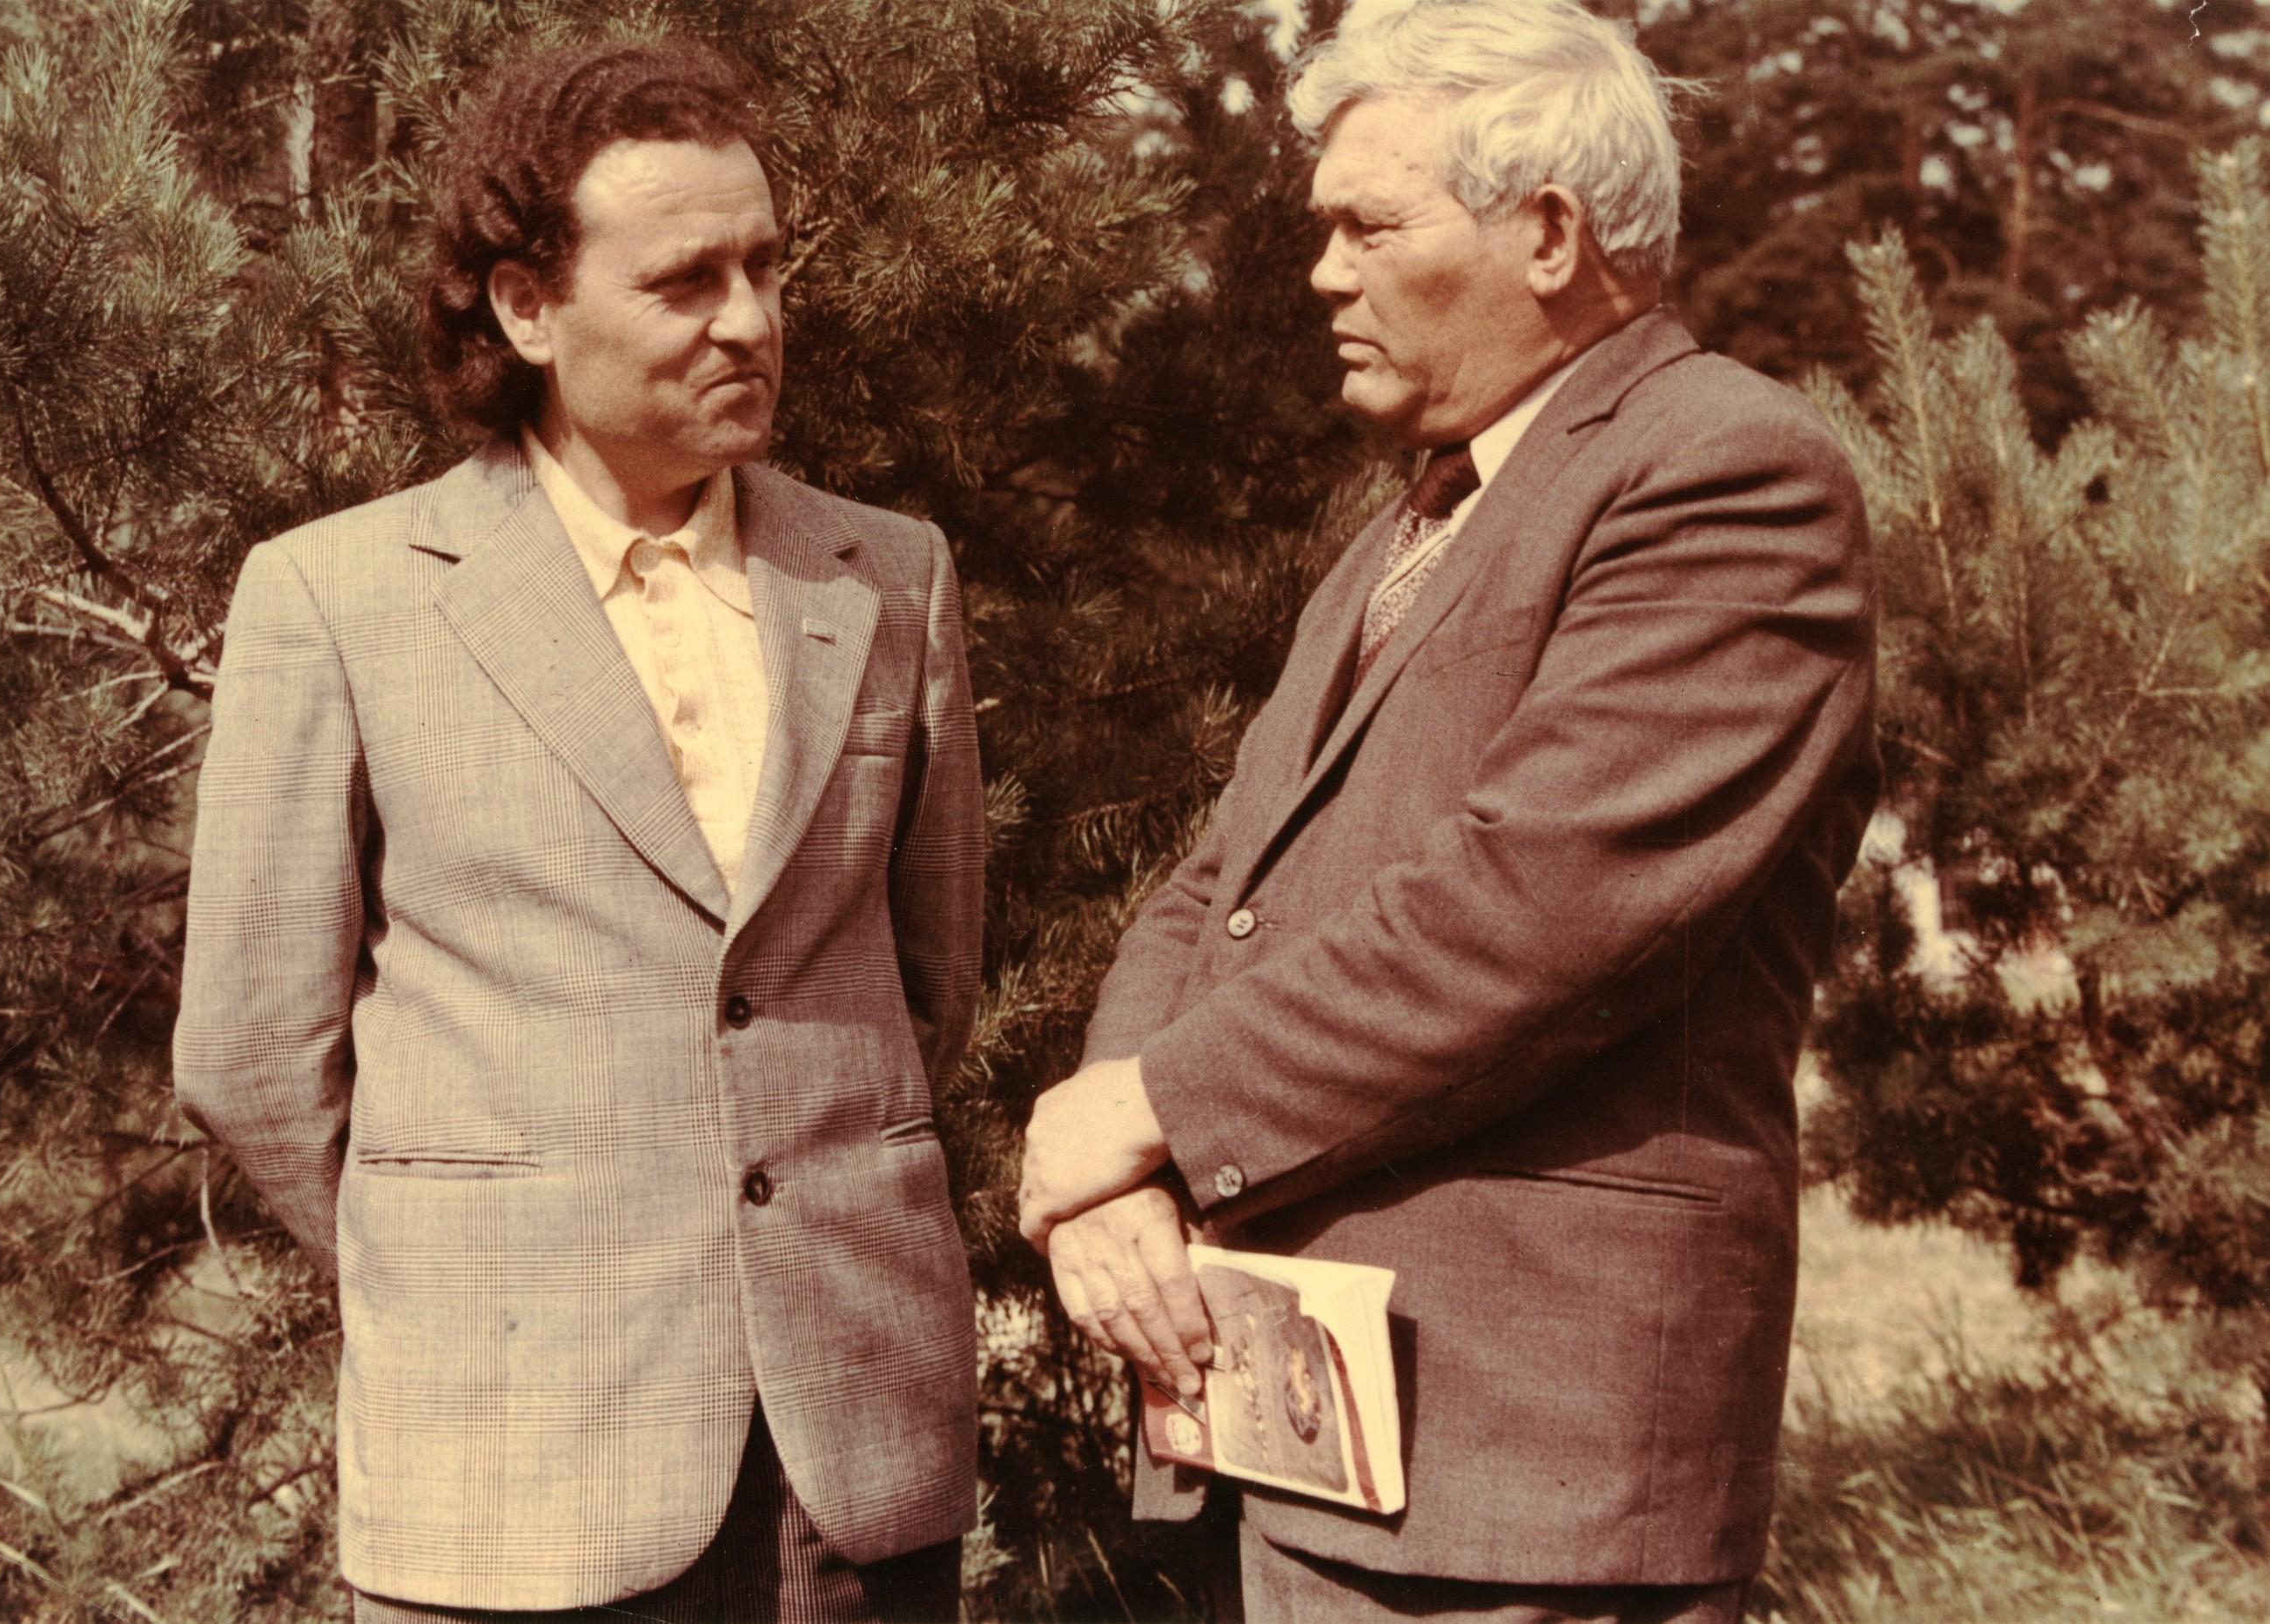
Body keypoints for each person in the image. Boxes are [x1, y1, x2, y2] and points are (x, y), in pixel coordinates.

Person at [1017, 2, 1878, 1620]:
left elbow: (1532, 907)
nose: (1321, 273)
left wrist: (1146, 1111)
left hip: (1527, 1470)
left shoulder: (1726, 471)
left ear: (1547, 234)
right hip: (1315, 1436)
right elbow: (1220, 881)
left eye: (1370, 226)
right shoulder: (1416, 521)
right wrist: (1115, 1166)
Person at [174, 39, 983, 1622]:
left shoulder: (890, 576)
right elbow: (252, 1052)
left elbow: (925, 986)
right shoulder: (340, 597)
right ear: (526, 308)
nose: (748, 320)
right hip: (512, 1471)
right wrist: (476, 1251)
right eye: (684, 281)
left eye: (763, 267)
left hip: (852, 1467)